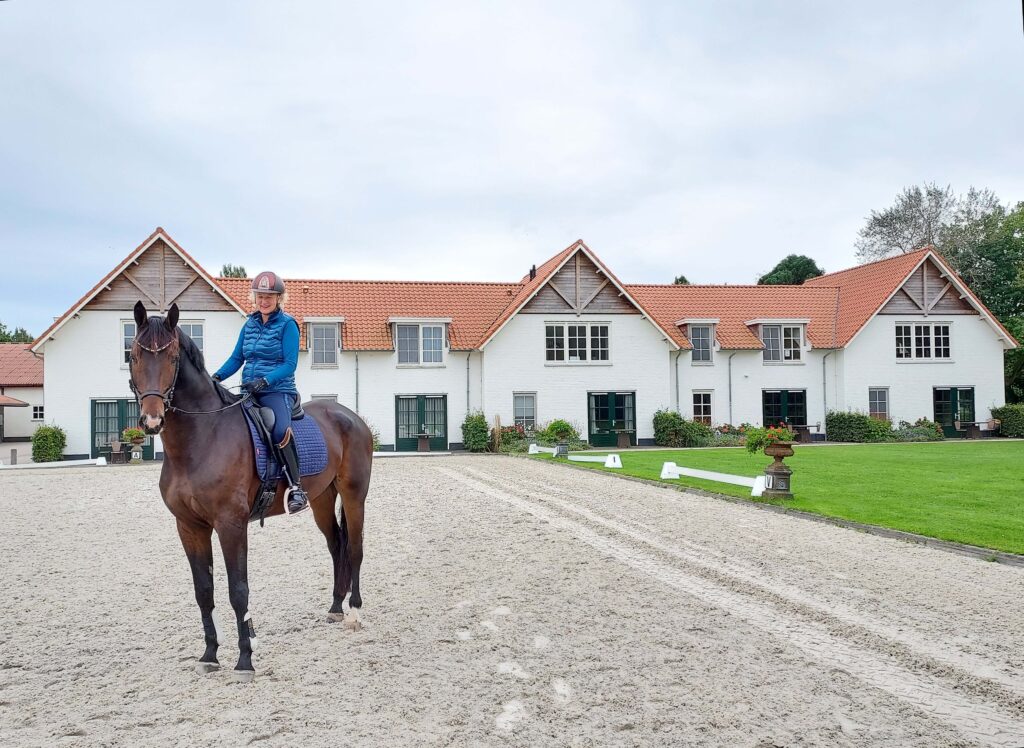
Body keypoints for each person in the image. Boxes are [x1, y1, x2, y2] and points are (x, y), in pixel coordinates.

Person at [212, 271, 309, 515]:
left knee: (279, 429)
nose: (264, 301)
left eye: (269, 296)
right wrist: (214, 378)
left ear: (279, 298)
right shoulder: (250, 324)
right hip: (249, 389)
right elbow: (237, 358)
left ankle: (296, 488)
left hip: (277, 390)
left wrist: (265, 381)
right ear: (254, 298)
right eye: (260, 296)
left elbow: (290, 364)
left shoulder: (288, 325)